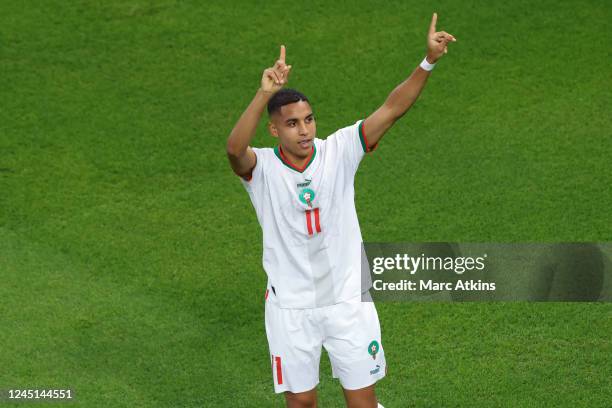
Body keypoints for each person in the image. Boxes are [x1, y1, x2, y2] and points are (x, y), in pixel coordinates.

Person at [226, 13, 456, 408]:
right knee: (301, 403)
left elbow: (392, 109)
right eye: (293, 123)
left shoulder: (340, 150)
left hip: (348, 300)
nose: (305, 130)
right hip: (291, 308)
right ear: (274, 131)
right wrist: (264, 94)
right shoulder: (261, 169)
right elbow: (234, 149)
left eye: (309, 120)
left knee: (362, 403)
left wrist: (427, 61)